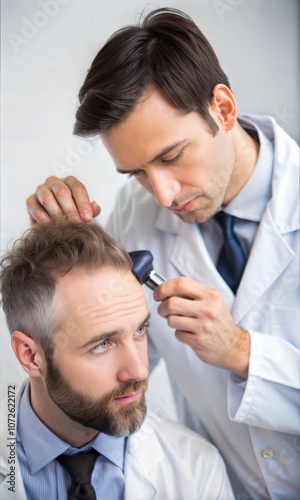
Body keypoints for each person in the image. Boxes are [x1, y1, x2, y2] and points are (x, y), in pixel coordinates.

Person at [25, 8, 299, 499]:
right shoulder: (136, 216)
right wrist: (56, 236)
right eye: (136, 173)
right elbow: (92, 334)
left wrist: (242, 352)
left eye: (171, 156)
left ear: (223, 108)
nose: (164, 194)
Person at [0, 219, 234, 500]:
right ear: (31, 356)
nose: (138, 370)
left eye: (139, 330)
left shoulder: (197, 471)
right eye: (102, 344)